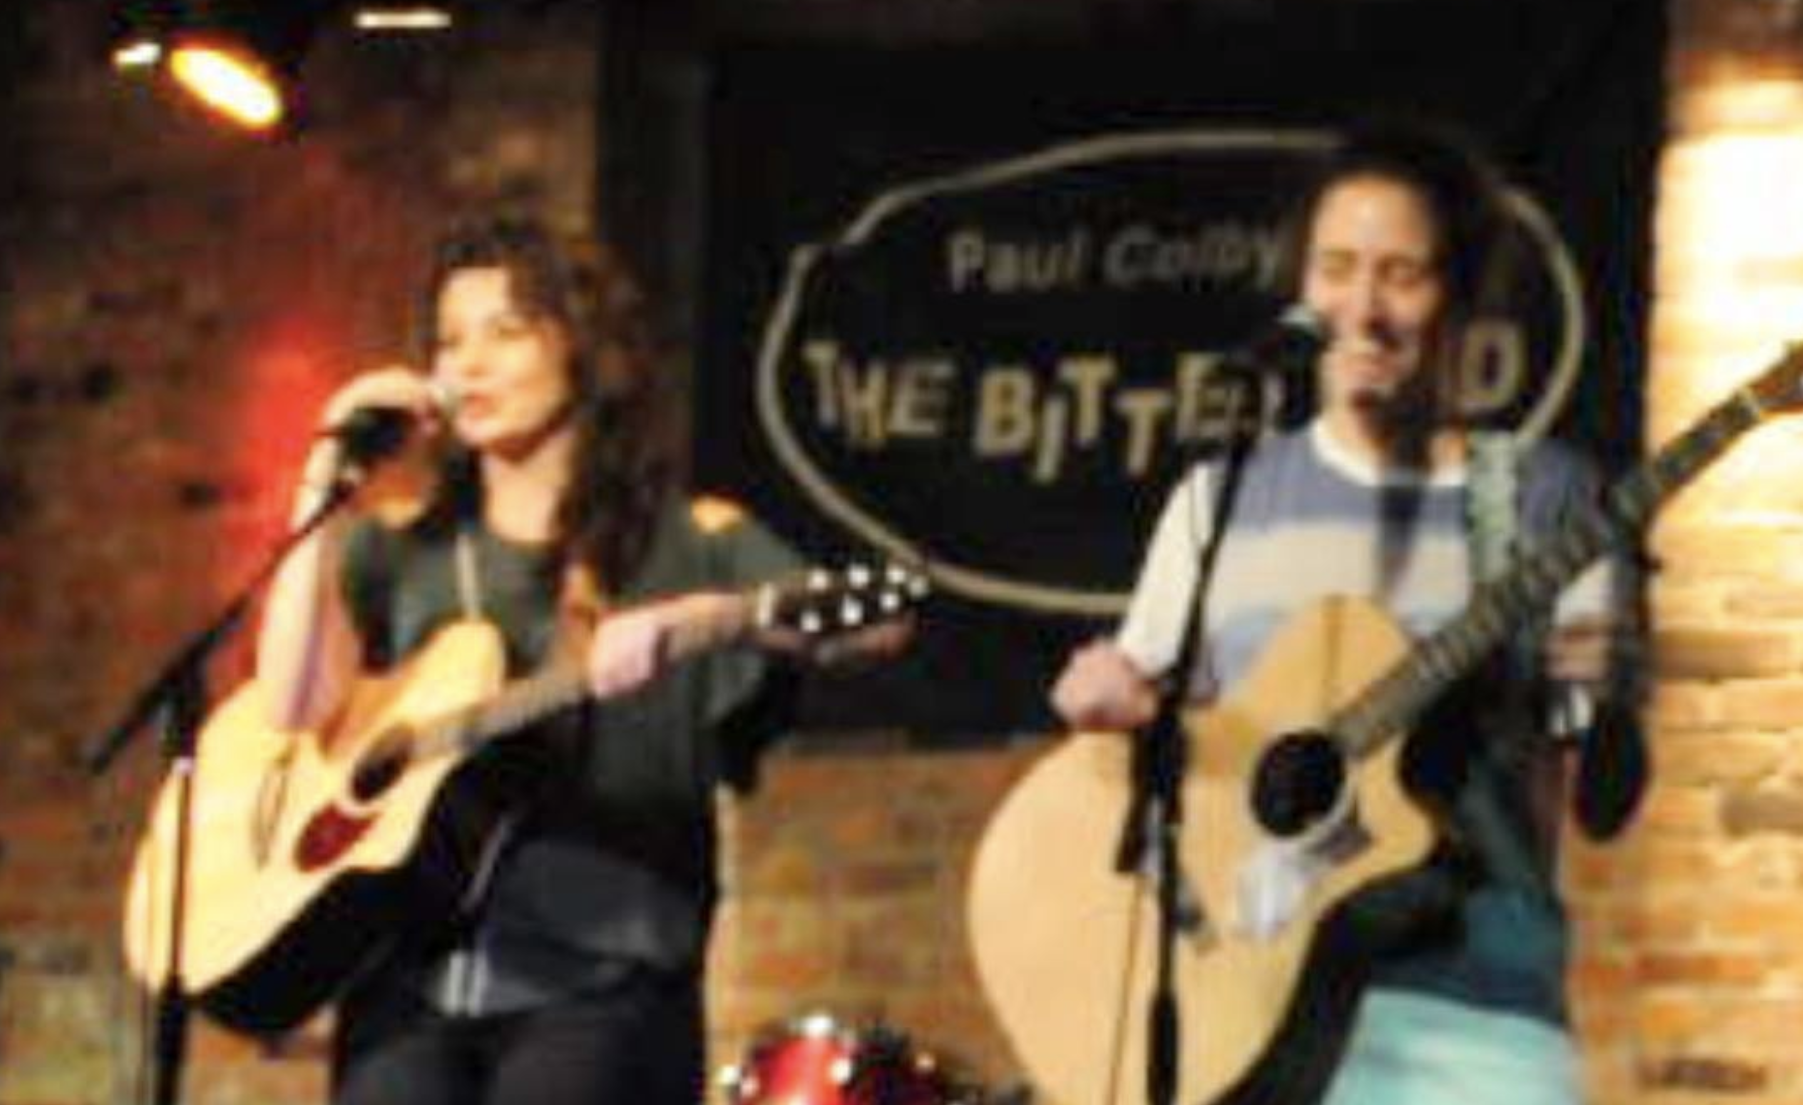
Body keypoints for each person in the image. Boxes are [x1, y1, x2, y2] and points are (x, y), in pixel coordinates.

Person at [1049, 126, 1644, 1105]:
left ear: (1454, 297)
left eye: (1400, 275)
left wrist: (1602, 705)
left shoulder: (1540, 500)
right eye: (1335, 269)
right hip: (1245, 1013)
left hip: (1470, 1017)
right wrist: (1105, 707)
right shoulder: (1219, 497)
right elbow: (1156, 763)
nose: (1361, 308)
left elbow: (1606, 801)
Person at [254, 220, 903, 1105]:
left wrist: (703, 620)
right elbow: (292, 705)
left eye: (506, 330)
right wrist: (324, 475)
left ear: (582, 349)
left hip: (600, 983)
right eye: (449, 340)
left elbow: (878, 626)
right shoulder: (397, 550)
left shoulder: (690, 539)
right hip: (403, 986)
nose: (469, 362)